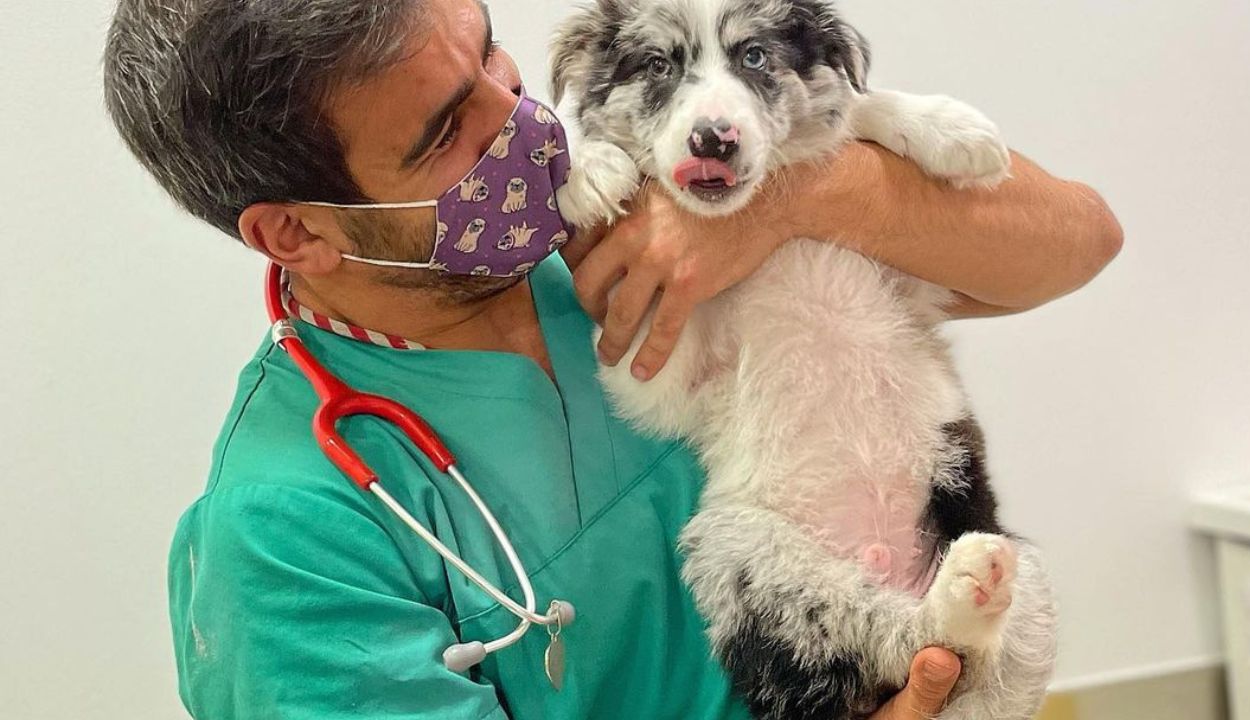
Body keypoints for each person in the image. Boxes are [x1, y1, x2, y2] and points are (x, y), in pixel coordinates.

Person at [103, 0, 1121, 718]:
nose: (524, 123)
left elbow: (1076, 241)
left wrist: (798, 198)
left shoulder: (621, 227)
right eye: (445, 133)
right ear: (296, 234)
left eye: (489, 58)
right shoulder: (286, 542)